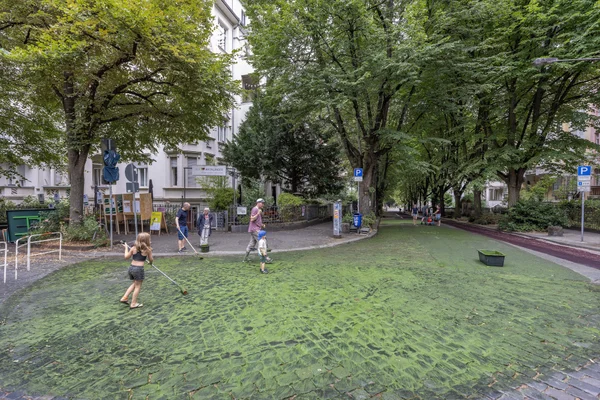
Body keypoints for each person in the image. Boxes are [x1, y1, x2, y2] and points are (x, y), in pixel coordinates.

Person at [120, 232, 153, 309]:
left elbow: (126, 257)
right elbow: (151, 259)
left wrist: (126, 248)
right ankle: (133, 303)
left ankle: (125, 297)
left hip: (131, 268)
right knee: (138, 286)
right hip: (138, 269)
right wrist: (150, 262)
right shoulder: (148, 249)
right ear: (147, 241)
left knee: (134, 283)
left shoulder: (133, 248)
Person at [244, 198, 272, 263]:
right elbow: (252, 219)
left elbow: (257, 220)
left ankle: (245, 258)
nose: (263, 204)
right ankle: (266, 258)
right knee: (262, 241)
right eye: (262, 203)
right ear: (258, 203)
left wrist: (261, 224)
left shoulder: (258, 209)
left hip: (254, 229)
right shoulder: (255, 209)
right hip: (255, 229)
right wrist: (258, 213)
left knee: (251, 244)